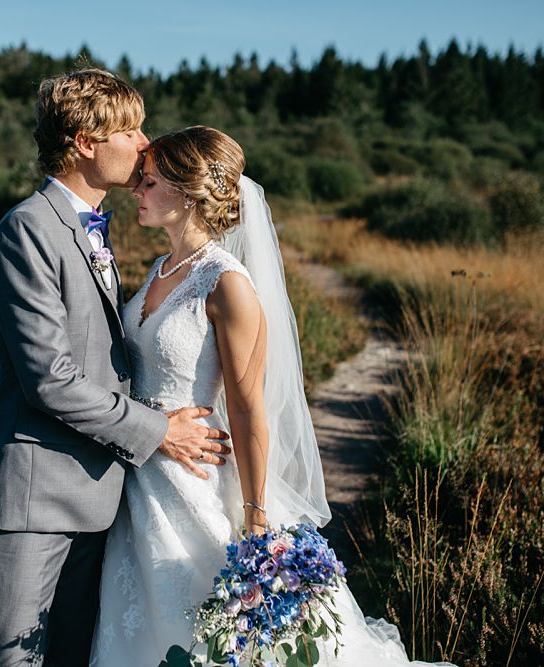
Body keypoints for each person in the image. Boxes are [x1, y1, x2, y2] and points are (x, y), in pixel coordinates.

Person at [90, 126, 456, 666]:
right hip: (143, 477)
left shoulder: (226, 283)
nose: (137, 192)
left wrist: (257, 517)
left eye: (148, 182)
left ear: (187, 192)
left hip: (198, 484)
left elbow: (247, 406)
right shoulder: (159, 271)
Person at [0, 72, 232, 667]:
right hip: (33, 497)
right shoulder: (28, 230)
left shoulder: (94, 229)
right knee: (12, 659)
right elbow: (50, 377)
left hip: (99, 495)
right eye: (130, 130)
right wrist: (162, 431)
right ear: (86, 141)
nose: (144, 143)